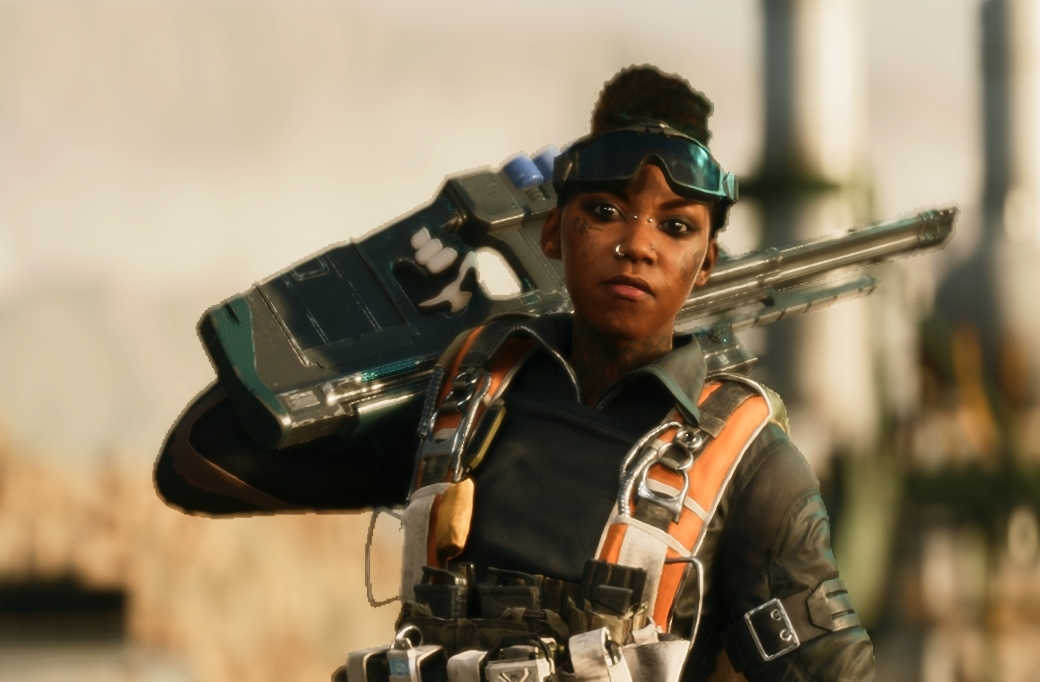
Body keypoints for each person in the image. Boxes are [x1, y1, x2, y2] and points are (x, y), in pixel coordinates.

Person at [156, 65, 875, 681]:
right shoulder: (465, 399)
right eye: (605, 209)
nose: (637, 244)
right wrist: (405, 310)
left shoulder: (745, 464)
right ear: (553, 230)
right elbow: (204, 461)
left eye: (675, 224)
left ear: (706, 261)